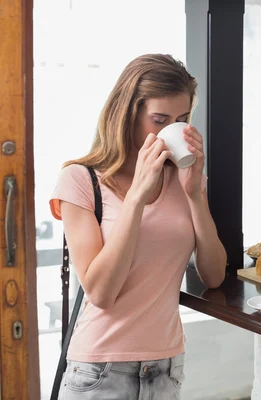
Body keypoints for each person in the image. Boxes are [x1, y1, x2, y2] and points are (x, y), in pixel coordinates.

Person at [49, 54, 227, 399]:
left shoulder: (187, 180)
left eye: (182, 119)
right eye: (159, 120)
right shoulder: (80, 180)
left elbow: (214, 274)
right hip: (99, 370)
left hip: (166, 366)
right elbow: (101, 292)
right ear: (127, 114)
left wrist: (194, 195)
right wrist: (136, 198)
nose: (171, 131)